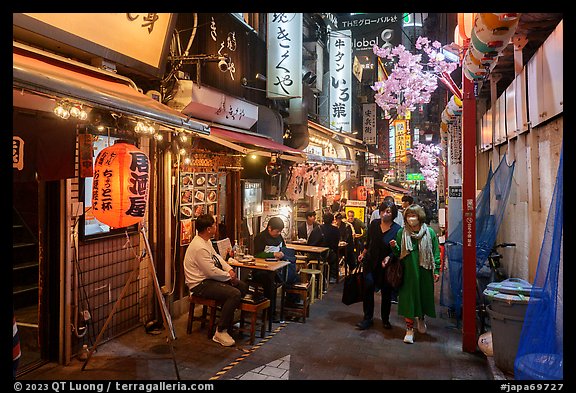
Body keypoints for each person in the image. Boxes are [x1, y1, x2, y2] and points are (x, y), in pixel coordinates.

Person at [183, 214, 249, 347]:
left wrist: (230, 270)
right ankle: (221, 331)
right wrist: (229, 276)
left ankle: (228, 319)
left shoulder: (205, 241)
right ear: (208, 229)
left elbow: (217, 257)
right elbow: (211, 271)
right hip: (199, 284)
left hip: (209, 280)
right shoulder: (199, 247)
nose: (216, 227)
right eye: (214, 225)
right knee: (234, 293)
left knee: (242, 286)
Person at [390, 204, 441, 344]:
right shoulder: (402, 232)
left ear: (420, 217)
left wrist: (436, 270)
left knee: (423, 296)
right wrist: (394, 247)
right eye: (408, 216)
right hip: (408, 272)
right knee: (408, 300)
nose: (411, 219)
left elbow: (436, 252)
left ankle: (421, 318)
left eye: (414, 215)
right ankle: (409, 329)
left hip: (424, 271)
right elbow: (399, 254)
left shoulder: (429, 232)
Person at [356, 201, 402, 330]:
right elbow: (368, 242)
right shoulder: (374, 224)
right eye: (383, 211)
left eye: (388, 211)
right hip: (370, 262)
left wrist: (389, 257)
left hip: (386, 266)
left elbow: (398, 249)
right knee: (368, 287)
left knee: (386, 292)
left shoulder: (397, 229)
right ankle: (367, 318)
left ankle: (385, 319)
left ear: (393, 214)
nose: (384, 214)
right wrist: (363, 253)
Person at [253, 217, 300, 306]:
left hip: (278, 267)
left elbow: (284, 248)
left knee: (294, 277)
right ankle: (271, 310)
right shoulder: (260, 237)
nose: (279, 233)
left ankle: (290, 305)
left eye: (280, 231)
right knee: (271, 280)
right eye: (277, 231)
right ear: (269, 228)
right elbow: (257, 254)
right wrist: (273, 254)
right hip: (262, 270)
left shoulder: (279, 237)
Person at [312, 212, 341, 283]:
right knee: (335, 257)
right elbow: (336, 243)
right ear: (332, 220)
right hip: (330, 254)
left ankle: (315, 275)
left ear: (323, 219)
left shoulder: (317, 229)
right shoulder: (336, 230)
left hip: (317, 255)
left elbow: (311, 242)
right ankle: (332, 276)